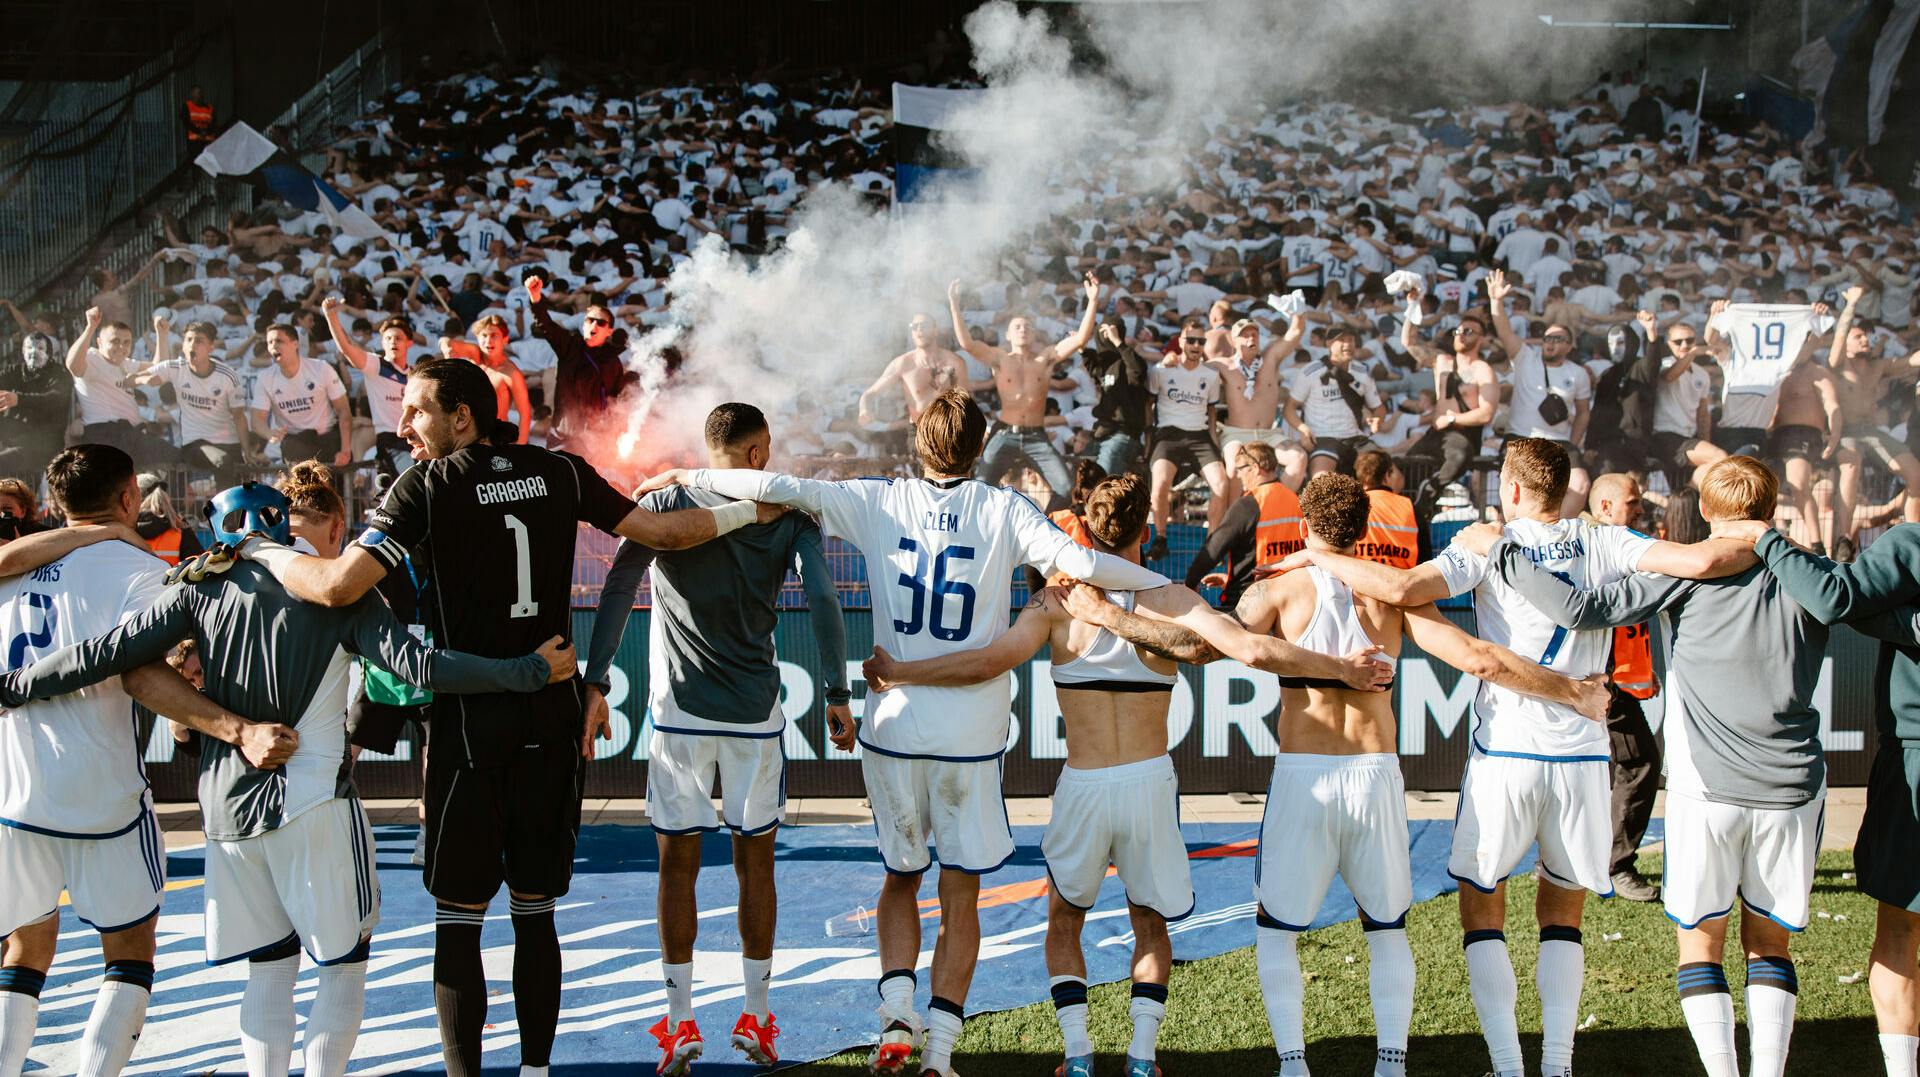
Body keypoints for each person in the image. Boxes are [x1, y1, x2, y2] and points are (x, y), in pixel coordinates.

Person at [185, 358, 767, 1077]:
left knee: (459, 922)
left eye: (418, 412)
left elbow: (337, 585)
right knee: (535, 913)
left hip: (466, 727)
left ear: (463, 417)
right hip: (549, 720)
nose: (403, 428)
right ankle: (534, 1071)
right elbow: (667, 536)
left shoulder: (425, 487)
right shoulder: (560, 471)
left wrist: (257, 547)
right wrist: (752, 508)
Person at [631, 389, 1179, 1077]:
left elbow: (778, 484)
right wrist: (1152, 579)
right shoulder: (1005, 509)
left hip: (892, 724)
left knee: (898, 878)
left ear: (918, 443)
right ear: (982, 448)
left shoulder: (879, 499)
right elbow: (1086, 564)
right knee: (960, 892)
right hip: (970, 735)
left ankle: (896, 1014)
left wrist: (690, 476)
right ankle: (939, 1055)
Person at [3, 473, 574, 1077]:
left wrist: (16, 686)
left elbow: (104, 656)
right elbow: (421, 667)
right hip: (313, 801)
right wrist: (527, 670)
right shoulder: (334, 588)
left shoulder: (197, 586)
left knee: (269, 966)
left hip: (225, 809)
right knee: (344, 962)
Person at [1272, 437, 1754, 1077]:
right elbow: (1697, 560)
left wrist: (1313, 551)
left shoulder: (1490, 545)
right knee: (1563, 915)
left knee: (1482, 905)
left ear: (1515, 489)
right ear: (1566, 490)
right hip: (1584, 756)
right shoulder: (1607, 540)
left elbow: (1399, 584)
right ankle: (1557, 1065)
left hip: (1506, 751)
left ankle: (1506, 1064)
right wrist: (1763, 538)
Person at [1126, 472, 1606, 1077]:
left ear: (1304, 526)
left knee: (1277, 931)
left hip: (1307, 773)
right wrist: (1566, 689)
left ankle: (1295, 1066)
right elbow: (1476, 658)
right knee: (1386, 929)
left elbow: (1203, 648)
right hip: (1375, 773)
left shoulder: (1278, 589)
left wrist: (1120, 612)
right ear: (1365, 530)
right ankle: (1390, 1065)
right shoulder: (1394, 597)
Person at [1459, 456, 1845, 1077]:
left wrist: (1502, 553)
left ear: (1706, 511)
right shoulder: (1817, 579)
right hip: (1794, 785)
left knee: (1701, 944)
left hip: (1705, 788)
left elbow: (1579, 608)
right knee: (1770, 944)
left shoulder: (1685, 578)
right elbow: (1856, 599)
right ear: (1770, 507)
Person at [858, 474, 1216, 1077]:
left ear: (1084, 532)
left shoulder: (1055, 603)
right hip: (1151, 781)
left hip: (1084, 782)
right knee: (1149, 923)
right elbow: (1212, 646)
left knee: (1063, 921)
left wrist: (905, 672)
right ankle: (1141, 1059)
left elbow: (987, 661)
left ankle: (1077, 1057)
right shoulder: (1172, 597)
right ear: (1148, 531)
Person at [0, 445, 300, 1077]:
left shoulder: (12, 567)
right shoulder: (135, 571)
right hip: (99, 791)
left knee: (23, 951)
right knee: (130, 953)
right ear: (131, 496)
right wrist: (235, 727)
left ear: (55, 503)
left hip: (13, 792)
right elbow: (141, 677)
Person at [583, 403, 852, 1073]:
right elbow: (823, 599)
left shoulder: (669, 498)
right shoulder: (787, 513)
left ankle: (680, 1024)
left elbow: (618, 582)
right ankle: (757, 1017)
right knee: (754, 862)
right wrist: (837, 691)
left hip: (679, 712)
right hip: (754, 712)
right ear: (758, 453)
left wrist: (595, 678)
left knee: (676, 864)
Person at [1710, 515, 1920, 1077]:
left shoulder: (1911, 542)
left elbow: (1834, 597)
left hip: (1916, 762)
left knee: (1900, 927)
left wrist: (1767, 540)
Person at [950, 274, 1101, 510]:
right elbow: (968, 343)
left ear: (1034, 334)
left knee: (1065, 488)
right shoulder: (999, 358)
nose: (1023, 329)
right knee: (979, 486)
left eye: (1028, 326)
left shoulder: (1045, 358)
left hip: (1036, 436)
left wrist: (1092, 301)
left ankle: (1041, 524)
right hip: (1005, 433)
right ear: (1008, 335)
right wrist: (955, 306)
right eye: (1017, 326)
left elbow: (1080, 339)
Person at [1580, 473, 1662, 901]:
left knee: (1600, 768)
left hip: (1607, 681)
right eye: (1632, 503)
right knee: (1639, 762)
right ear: (1607, 507)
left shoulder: (1598, 542)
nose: (1640, 509)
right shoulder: (1595, 545)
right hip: (1599, 682)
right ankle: (1615, 865)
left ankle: (1568, 861)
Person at [1825, 290, 1920, 559]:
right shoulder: (1837, 363)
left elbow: (1911, 361)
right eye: (1859, 336)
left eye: (1867, 335)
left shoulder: (1878, 366)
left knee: (1915, 473)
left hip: (1871, 432)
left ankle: (1914, 532)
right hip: (1845, 433)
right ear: (1846, 344)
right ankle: (1845, 538)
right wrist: (1851, 304)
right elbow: (1840, 336)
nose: (1866, 339)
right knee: (1851, 465)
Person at [1490, 271, 1593, 517]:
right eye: (1547, 337)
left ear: (1570, 345)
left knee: (1580, 483)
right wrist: (1496, 301)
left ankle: (1553, 532)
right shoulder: (1526, 357)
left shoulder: (1578, 373)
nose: (1550, 342)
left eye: (1558, 339)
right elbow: (1504, 332)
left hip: (1558, 440)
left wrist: (1574, 442)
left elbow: (1583, 413)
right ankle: (1514, 534)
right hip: (1521, 436)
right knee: (1514, 488)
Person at [1399, 292, 1497, 513]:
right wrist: (1413, 305)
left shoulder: (1482, 369)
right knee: (1405, 470)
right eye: (1458, 330)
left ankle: (1430, 490)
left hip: (1462, 435)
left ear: (1481, 338)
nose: (1461, 334)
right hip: (1435, 434)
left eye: (1469, 331)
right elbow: (1409, 342)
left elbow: (1486, 413)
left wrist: (1452, 418)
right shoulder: (1442, 361)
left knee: (1458, 455)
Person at [1144, 318, 1229, 557]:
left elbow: (1212, 412)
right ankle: (1160, 538)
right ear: (1180, 341)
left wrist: (1215, 442)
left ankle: (1212, 544)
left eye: (1200, 341)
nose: (1195, 345)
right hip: (1168, 434)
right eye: (1190, 339)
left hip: (1199, 435)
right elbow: (1148, 404)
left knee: (1221, 484)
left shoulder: (1210, 376)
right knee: (1159, 484)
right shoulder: (1161, 370)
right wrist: (1149, 438)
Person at [1185, 442, 1300, 610]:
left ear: (1254, 468)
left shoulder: (1249, 504)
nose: (1237, 475)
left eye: (1240, 468)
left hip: (1250, 601)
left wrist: (1190, 583)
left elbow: (1214, 548)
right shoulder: (1294, 500)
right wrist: (1229, 578)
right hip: (1290, 599)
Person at [138, 318, 253, 482]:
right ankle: (224, 509)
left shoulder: (228, 376)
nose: (192, 345)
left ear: (211, 347)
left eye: (199, 341)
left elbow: (239, 417)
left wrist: (246, 450)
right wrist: (124, 380)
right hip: (195, 445)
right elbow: (150, 373)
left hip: (228, 443)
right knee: (222, 461)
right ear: (183, 345)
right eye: (189, 340)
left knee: (245, 480)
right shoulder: (177, 369)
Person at [524, 275, 626, 454]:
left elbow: (616, 399)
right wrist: (535, 297)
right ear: (583, 324)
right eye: (589, 320)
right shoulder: (569, 345)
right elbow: (546, 325)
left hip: (597, 437)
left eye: (600, 322)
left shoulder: (613, 360)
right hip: (564, 434)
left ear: (609, 331)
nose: (593, 324)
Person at [323, 297, 420, 477]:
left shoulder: (416, 374)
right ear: (382, 342)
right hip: (390, 440)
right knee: (412, 478)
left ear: (409, 343)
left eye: (398, 338)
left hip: (417, 438)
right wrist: (331, 317)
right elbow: (346, 347)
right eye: (388, 338)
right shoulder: (376, 366)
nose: (393, 342)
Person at [1214, 314, 1306, 499]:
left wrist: (1298, 315)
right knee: (1233, 466)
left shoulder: (1270, 358)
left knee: (1298, 458)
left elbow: (1295, 333)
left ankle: (1273, 505)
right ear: (1233, 340)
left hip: (1268, 435)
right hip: (1236, 433)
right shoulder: (1223, 365)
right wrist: (1169, 360)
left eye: (1254, 334)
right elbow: (1191, 369)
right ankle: (1236, 517)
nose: (1251, 339)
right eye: (1244, 335)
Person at [1283, 327, 1385, 478]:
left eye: (1351, 340)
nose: (1347, 344)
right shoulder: (1310, 372)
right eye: (1342, 340)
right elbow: (1289, 409)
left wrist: (1377, 419)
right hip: (1323, 438)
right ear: (1329, 343)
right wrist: (1304, 429)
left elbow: (1379, 408)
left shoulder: (1362, 372)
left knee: (1389, 475)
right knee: (1321, 480)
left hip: (1356, 438)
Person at [65, 307, 163, 461]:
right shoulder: (92, 358)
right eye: (115, 341)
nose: (122, 347)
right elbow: (72, 365)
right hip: (105, 433)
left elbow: (159, 367)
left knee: (172, 456)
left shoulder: (126, 363)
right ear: (100, 343)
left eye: (126, 342)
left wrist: (161, 334)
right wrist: (90, 328)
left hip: (131, 433)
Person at [252, 322, 353, 469]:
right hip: (295, 442)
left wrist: (345, 450)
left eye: (279, 341)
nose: (273, 346)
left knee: (332, 488)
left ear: (295, 344)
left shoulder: (321, 368)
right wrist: (269, 433)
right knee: (301, 483)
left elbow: (343, 410)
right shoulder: (265, 377)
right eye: (270, 342)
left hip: (327, 438)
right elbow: (256, 420)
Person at [1653, 318, 1730, 490]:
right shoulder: (1663, 364)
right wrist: (1693, 354)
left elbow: (1702, 414)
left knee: (1713, 465)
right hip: (1665, 435)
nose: (1684, 345)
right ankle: (1690, 489)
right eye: (1678, 341)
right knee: (1720, 457)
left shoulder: (1702, 374)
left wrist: (1704, 442)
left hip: (1688, 437)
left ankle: (1686, 493)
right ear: (1668, 344)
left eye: (1689, 341)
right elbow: (1669, 377)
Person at [858, 315, 971, 431]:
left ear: (936, 330)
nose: (919, 330)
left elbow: (965, 402)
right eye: (914, 327)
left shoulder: (955, 362)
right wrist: (864, 410)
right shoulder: (903, 363)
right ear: (912, 333)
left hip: (947, 429)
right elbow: (869, 393)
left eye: (924, 325)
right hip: (918, 431)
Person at [439, 315, 534, 446]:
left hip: (493, 439)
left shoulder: (511, 373)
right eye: (484, 335)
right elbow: (447, 341)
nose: (488, 341)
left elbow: (525, 414)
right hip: (466, 435)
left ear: (505, 339)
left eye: (494, 335)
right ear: (477, 338)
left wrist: (521, 448)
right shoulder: (475, 355)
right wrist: (446, 348)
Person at [1084, 317, 1153, 476]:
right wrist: (1082, 348)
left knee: (1103, 484)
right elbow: (1093, 368)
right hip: (1101, 432)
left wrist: (1118, 342)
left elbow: (1137, 372)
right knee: (1084, 482)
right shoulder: (1104, 364)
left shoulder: (1131, 360)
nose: (1106, 335)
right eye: (1102, 332)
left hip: (1123, 434)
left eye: (1110, 330)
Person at [0, 329, 71, 483]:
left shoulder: (59, 374)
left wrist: (18, 399)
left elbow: (54, 399)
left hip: (43, 445)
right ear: (23, 351)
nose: (34, 353)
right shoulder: (15, 371)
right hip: (12, 441)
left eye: (40, 348)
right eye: (29, 348)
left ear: (49, 353)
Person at [1353, 451, 1417, 570]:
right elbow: (1425, 558)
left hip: (1360, 582)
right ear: (1387, 474)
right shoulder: (1409, 506)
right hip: (1401, 582)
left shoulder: (1352, 505)